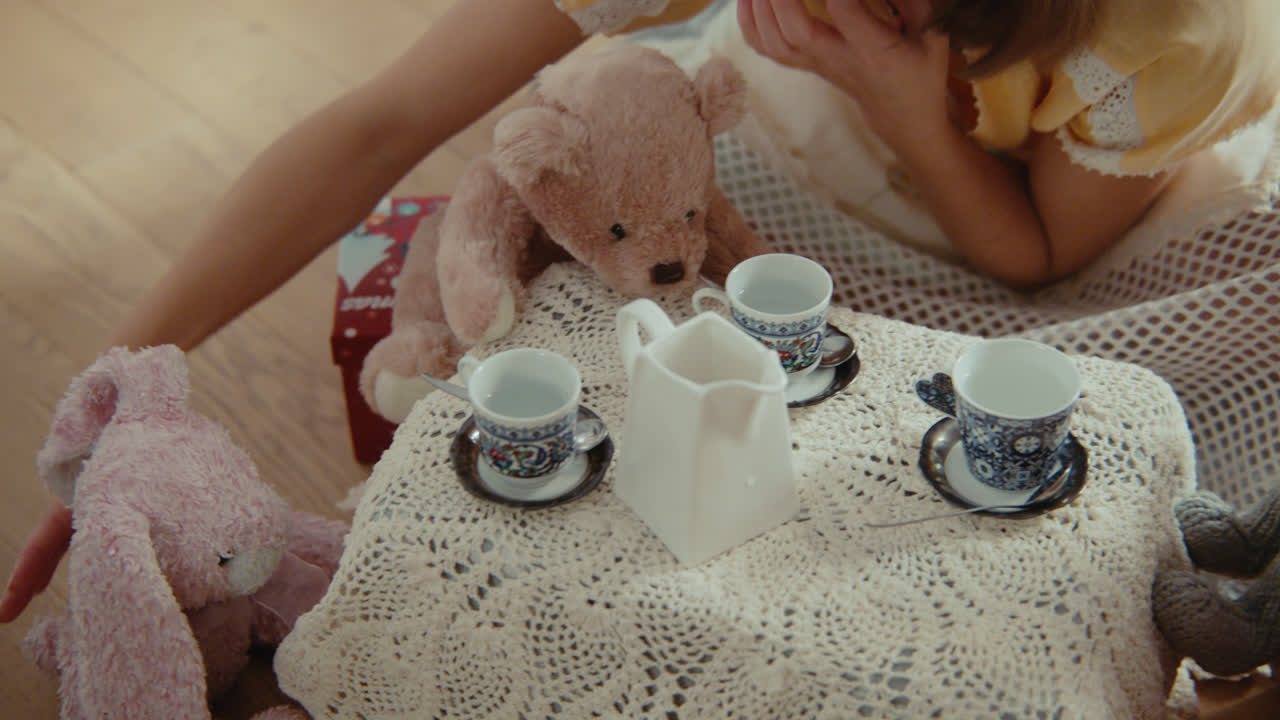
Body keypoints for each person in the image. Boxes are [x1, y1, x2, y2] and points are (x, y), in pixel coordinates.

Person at [4, 0, 1277, 622]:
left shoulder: (1169, 31)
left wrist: (900, 97)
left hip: (1051, 227)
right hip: (786, 153)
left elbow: (1034, 258)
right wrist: (128, 376)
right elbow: (380, 119)